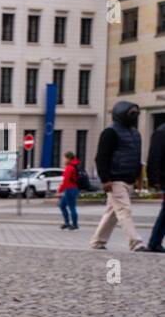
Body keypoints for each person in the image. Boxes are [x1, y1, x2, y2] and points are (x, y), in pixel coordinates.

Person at [91, 101, 146, 252]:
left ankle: (97, 241)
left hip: (128, 178)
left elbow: (137, 157)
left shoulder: (135, 133)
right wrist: (105, 179)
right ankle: (136, 243)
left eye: (136, 113)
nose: (135, 116)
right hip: (115, 179)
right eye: (132, 113)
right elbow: (101, 157)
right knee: (124, 210)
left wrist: (138, 178)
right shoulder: (110, 132)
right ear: (121, 114)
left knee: (112, 213)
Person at [144, 121, 165, 252]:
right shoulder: (162, 131)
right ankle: (154, 242)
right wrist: (154, 179)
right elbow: (154, 156)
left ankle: (154, 242)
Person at [58, 151, 83, 231]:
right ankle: (67, 223)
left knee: (72, 207)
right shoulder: (72, 166)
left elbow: (66, 181)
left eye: (64, 158)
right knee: (62, 205)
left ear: (68, 158)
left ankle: (75, 224)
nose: (63, 160)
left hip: (70, 189)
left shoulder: (69, 168)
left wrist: (59, 190)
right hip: (71, 189)